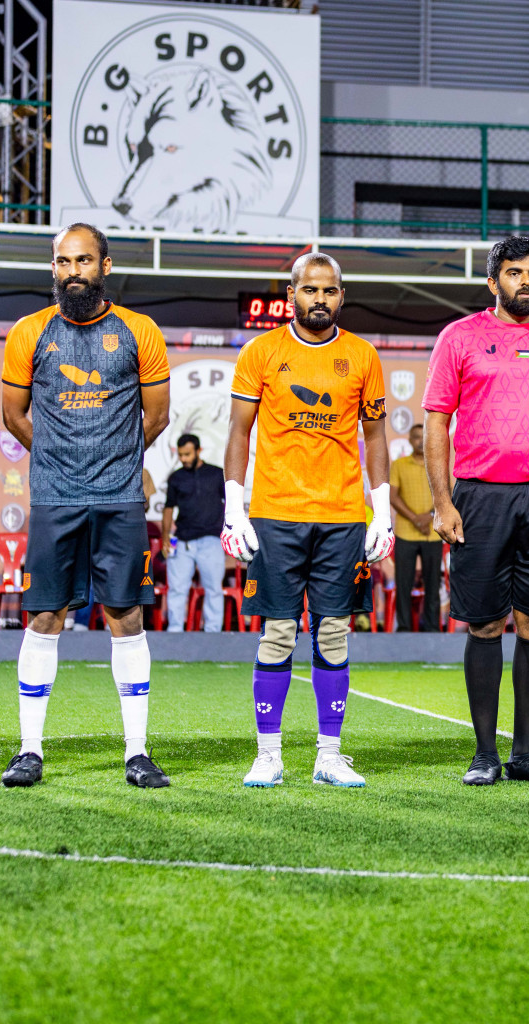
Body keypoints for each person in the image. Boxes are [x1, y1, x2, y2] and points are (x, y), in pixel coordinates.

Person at [0, 223, 171, 789]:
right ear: (53, 268)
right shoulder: (29, 332)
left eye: (84, 261)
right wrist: (61, 458)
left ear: (105, 266)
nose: (73, 271)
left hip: (120, 499)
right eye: (63, 261)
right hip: (55, 497)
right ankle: (29, 751)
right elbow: (15, 417)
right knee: (45, 616)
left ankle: (138, 753)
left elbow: (158, 416)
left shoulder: (139, 330)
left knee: (126, 616)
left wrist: (113, 461)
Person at [424, 236, 529, 786]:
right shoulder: (460, 338)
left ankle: (524, 753)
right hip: (478, 497)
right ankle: (483, 754)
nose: (528, 281)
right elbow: (436, 423)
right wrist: (442, 501)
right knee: (484, 625)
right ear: (493, 282)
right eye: (515, 272)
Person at [223, 252, 393, 789]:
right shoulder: (261, 351)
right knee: (277, 634)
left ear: (342, 296)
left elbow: (376, 437)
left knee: (334, 633)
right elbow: (237, 433)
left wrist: (381, 511)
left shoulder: (363, 356)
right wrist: (234, 504)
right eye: (309, 289)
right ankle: (268, 755)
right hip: (275, 514)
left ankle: (329, 755)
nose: (320, 298)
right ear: (291, 293)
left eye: (330, 290)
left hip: (343, 514)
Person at [162, 433, 226, 632]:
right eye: (181, 455)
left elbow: (231, 503)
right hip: (181, 540)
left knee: (214, 589)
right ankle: (174, 632)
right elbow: (168, 508)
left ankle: (214, 633)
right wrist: (166, 538)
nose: (184, 459)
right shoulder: (176, 477)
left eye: (188, 454)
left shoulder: (217, 474)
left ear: (199, 451)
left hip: (212, 540)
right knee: (176, 589)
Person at [390, 421, 444, 632]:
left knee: (433, 585)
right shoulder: (399, 465)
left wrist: (429, 516)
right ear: (409, 440)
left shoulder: (438, 463)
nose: (420, 441)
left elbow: (446, 493)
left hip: (433, 533)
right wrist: (415, 519)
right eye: (415, 437)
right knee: (403, 584)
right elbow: (393, 496)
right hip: (405, 532)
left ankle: (432, 628)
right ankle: (404, 627)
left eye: (424, 437)